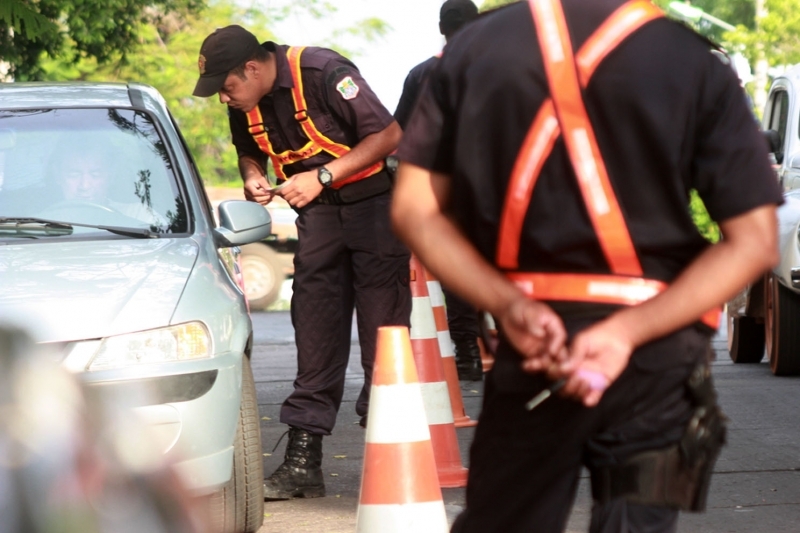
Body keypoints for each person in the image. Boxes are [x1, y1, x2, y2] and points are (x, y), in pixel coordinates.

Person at [391, 0, 782, 532]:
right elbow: (755, 242)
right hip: (657, 359)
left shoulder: (474, 49)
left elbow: (414, 210)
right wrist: (626, 332)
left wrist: (508, 304)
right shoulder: (690, 58)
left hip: (534, 347)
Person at [191, 26, 411, 500]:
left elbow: (389, 134)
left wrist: (324, 175)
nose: (225, 99)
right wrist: (253, 177)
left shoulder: (322, 71)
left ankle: (392, 455)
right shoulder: (244, 103)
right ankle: (302, 465)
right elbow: (248, 151)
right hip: (319, 217)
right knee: (315, 331)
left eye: (227, 87)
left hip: (375, 208)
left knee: (384, 335)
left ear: (252, 68)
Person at [394, 0, 483, 381]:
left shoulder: (422, 73)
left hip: (448, 183)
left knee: (459, 269)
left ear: (441, 29)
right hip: (500, 182)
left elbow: (398, 132)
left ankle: (468, 354)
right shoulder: (505, 65)